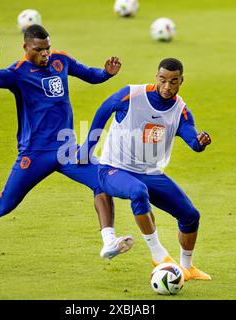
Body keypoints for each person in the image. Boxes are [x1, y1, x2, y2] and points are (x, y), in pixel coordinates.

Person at [0, 8, 133, 270]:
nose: (45, 54)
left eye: (47, 48)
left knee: (102, 180)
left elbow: (89, 74)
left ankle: (108, 241)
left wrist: (106, 73)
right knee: (5, 204)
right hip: (34, 153)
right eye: (39, 50)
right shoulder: (18, 72)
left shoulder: (60, 61)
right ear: (26, 47)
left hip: (66, 148)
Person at [77, 58, 212, 281]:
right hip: (113, 169)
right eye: (163, 80)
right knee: (138, 191)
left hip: (150, 172)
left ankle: (187, 267)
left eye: (173, 82)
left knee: (190, 216)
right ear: (156, 77)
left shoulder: (181, 111)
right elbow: (103, 110)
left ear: (181, 82)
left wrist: (200, 141)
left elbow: (193, 141)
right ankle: (158, 255)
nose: (167, 87)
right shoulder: (132, 94)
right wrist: (88, 148)